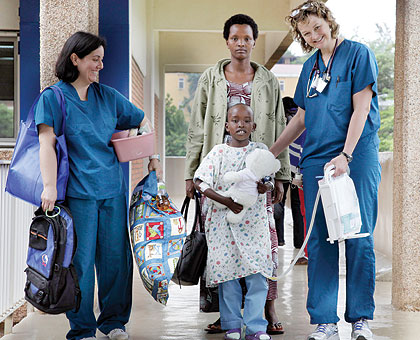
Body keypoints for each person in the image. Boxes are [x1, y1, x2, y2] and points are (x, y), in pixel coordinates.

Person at [35, 31, 161, 340]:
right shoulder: (54, 97)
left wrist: (151, 155)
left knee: (115, 259)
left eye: (102, 60)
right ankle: (82, 328)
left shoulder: (108, 97)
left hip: (111, 190)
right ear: (75, 59)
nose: (100, 66)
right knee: (79, 261)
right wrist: (49, 186)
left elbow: (142, 120)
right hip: (77, 194)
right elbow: (45, 143)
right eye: (95, 60)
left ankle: (114, 322)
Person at [269, 2, 381, 340]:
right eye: (307, 33)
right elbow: (302, 117)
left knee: (358, 237)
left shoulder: (358, 55)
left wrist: (346, 154)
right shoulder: (310, 68)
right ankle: (324, 322)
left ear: (328, 22)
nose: (315, 35)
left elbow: (362, 106)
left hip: (356, 157)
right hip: (316, 160)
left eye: (317, 27)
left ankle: (360, 319)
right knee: (319, 242)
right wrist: (271, 153)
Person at [185, 13, 290, 335]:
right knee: (220, 249)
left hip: (259, 178)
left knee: (265, 248)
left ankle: (266, 309)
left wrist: (282, 174)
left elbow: (280, 127)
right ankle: (224, 314)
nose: (241, 44)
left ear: (254, 42)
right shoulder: (210, 78)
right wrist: (191, 174)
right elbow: (195, 127)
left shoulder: (269, 80)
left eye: (247, 38)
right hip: (217, 176)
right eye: (235, 38)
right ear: (227, 41)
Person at [194, 103, 273, 340]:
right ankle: (232, 326)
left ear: (253, 125)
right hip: (223, 224)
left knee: (258, 274)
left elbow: (269, 179)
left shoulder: (260, 150)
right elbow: (200, 182)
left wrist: (265, 186)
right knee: (228, 276)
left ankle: (256, 327)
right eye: (236, 120)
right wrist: (225, 201)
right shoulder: (218, 153)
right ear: (227, 125)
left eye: (246, 121)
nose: (241, 125)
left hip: (254, 223)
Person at [274, 97, 306, 257]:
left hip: (281, 166)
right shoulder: (302, 119)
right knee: (297, 205)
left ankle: (279, 239)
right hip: (298, 168)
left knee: (278, 200)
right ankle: (299, 241)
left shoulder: (281, 121)